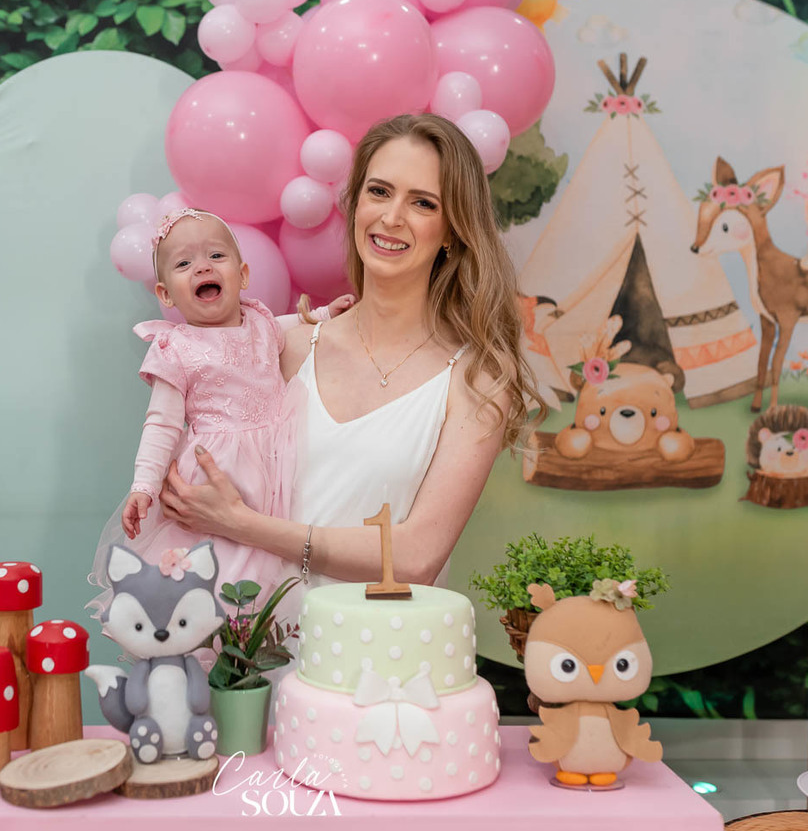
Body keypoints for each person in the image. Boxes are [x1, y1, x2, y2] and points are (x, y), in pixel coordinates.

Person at [157, 114, 545, 593]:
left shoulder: (477, 378)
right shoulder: (286, 348)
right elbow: (197, 483)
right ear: (356, 203)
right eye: (379, 191)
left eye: (423, 203)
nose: (392, 217)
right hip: (254, 633)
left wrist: (244, 525)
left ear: (452, 230)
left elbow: (418, 557)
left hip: (379, 638)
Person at [87, 208, 353, 617]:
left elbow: (288, 326)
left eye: (215, 256)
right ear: (165, 295)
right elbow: (161, 424)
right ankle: (220, 631)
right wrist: (144, 485)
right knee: (224, 560)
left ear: (242, 275)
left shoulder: (260, 321)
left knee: (275, 549)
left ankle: (265, 630)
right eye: (184, 263)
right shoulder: (176, 349)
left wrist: (323, 315)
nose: (202, 267)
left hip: (277, 458)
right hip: (221, 468)